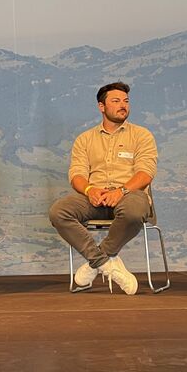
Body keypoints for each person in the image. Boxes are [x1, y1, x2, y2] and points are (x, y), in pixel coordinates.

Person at [49, 82, 157, 295]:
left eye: (126, 101)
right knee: (58, 211)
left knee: (134, 211)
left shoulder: (142, 135)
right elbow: (77, 175)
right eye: (116, 101)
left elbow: (145, 173)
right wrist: (90, 190)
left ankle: (96, 262)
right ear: (101, 106)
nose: (123, 105)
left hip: (130, 195)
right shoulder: (85, 139)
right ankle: (107, 264)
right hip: (95, 197)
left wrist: (121, 191)